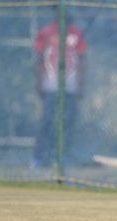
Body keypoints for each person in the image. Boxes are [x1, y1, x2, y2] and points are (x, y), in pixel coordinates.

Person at [32, 9, 87, 168]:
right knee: (47, 122)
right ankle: (40, 158)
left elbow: (83, 60)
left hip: (70, 86)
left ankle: (63, 158)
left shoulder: (76, 33)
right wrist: (39, 83)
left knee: (68, 123)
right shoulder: (46, 32)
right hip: (50, 84)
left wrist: (80, 84)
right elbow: (38, 58)